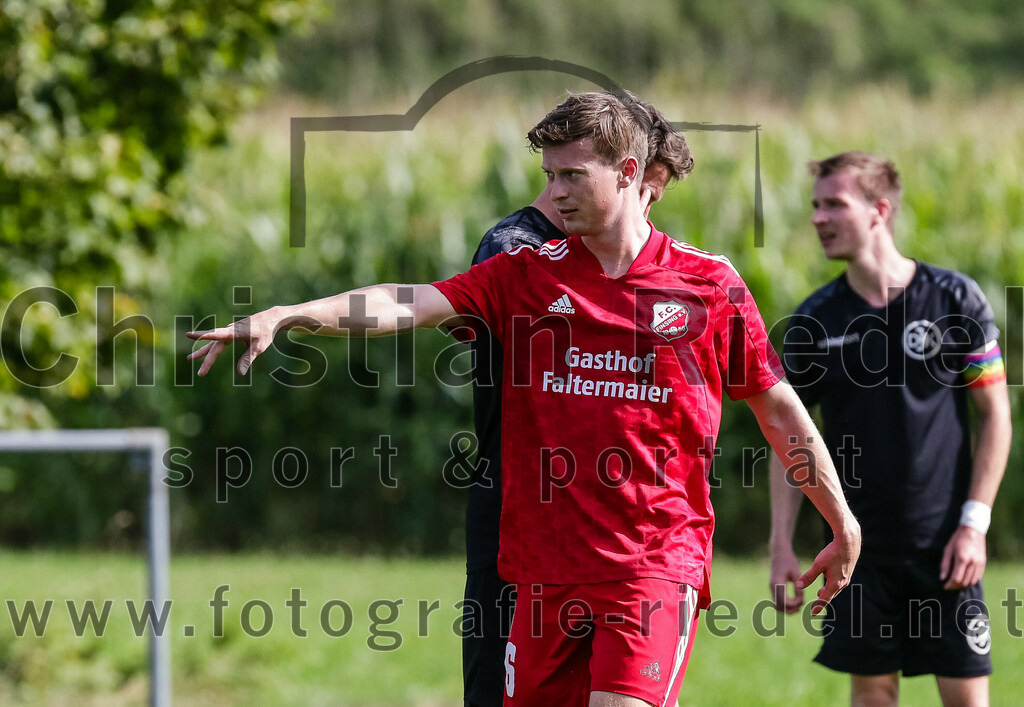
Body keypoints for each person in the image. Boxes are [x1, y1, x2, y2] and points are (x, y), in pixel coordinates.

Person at [190, 92, 861, 707]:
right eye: (549, 175)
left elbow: (779, 409)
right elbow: (407, 302)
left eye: (573, 176)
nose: (555, 193)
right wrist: (289, 314)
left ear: (629, 172)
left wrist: (841, 519)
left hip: (651, 563)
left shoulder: (706, 285)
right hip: (541, 572)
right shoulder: (525, 274)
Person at [461, 96, 694, 707]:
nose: (648, 207)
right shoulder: (516, 252)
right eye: (650, 190)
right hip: (522, 513)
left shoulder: (649, 267)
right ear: (632, 172)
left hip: (618, 535)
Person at [769, 151, 1011, 707]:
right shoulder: (814, 320)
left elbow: (996, 414)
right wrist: (780, 543)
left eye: (834, 204)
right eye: (815, 205)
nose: (818, 218)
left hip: (946, 545)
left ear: (879, 210)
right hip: (856, 549)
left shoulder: (955, 299)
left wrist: (974, 525)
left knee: (967, 700)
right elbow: (788, 438)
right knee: (872, 696)